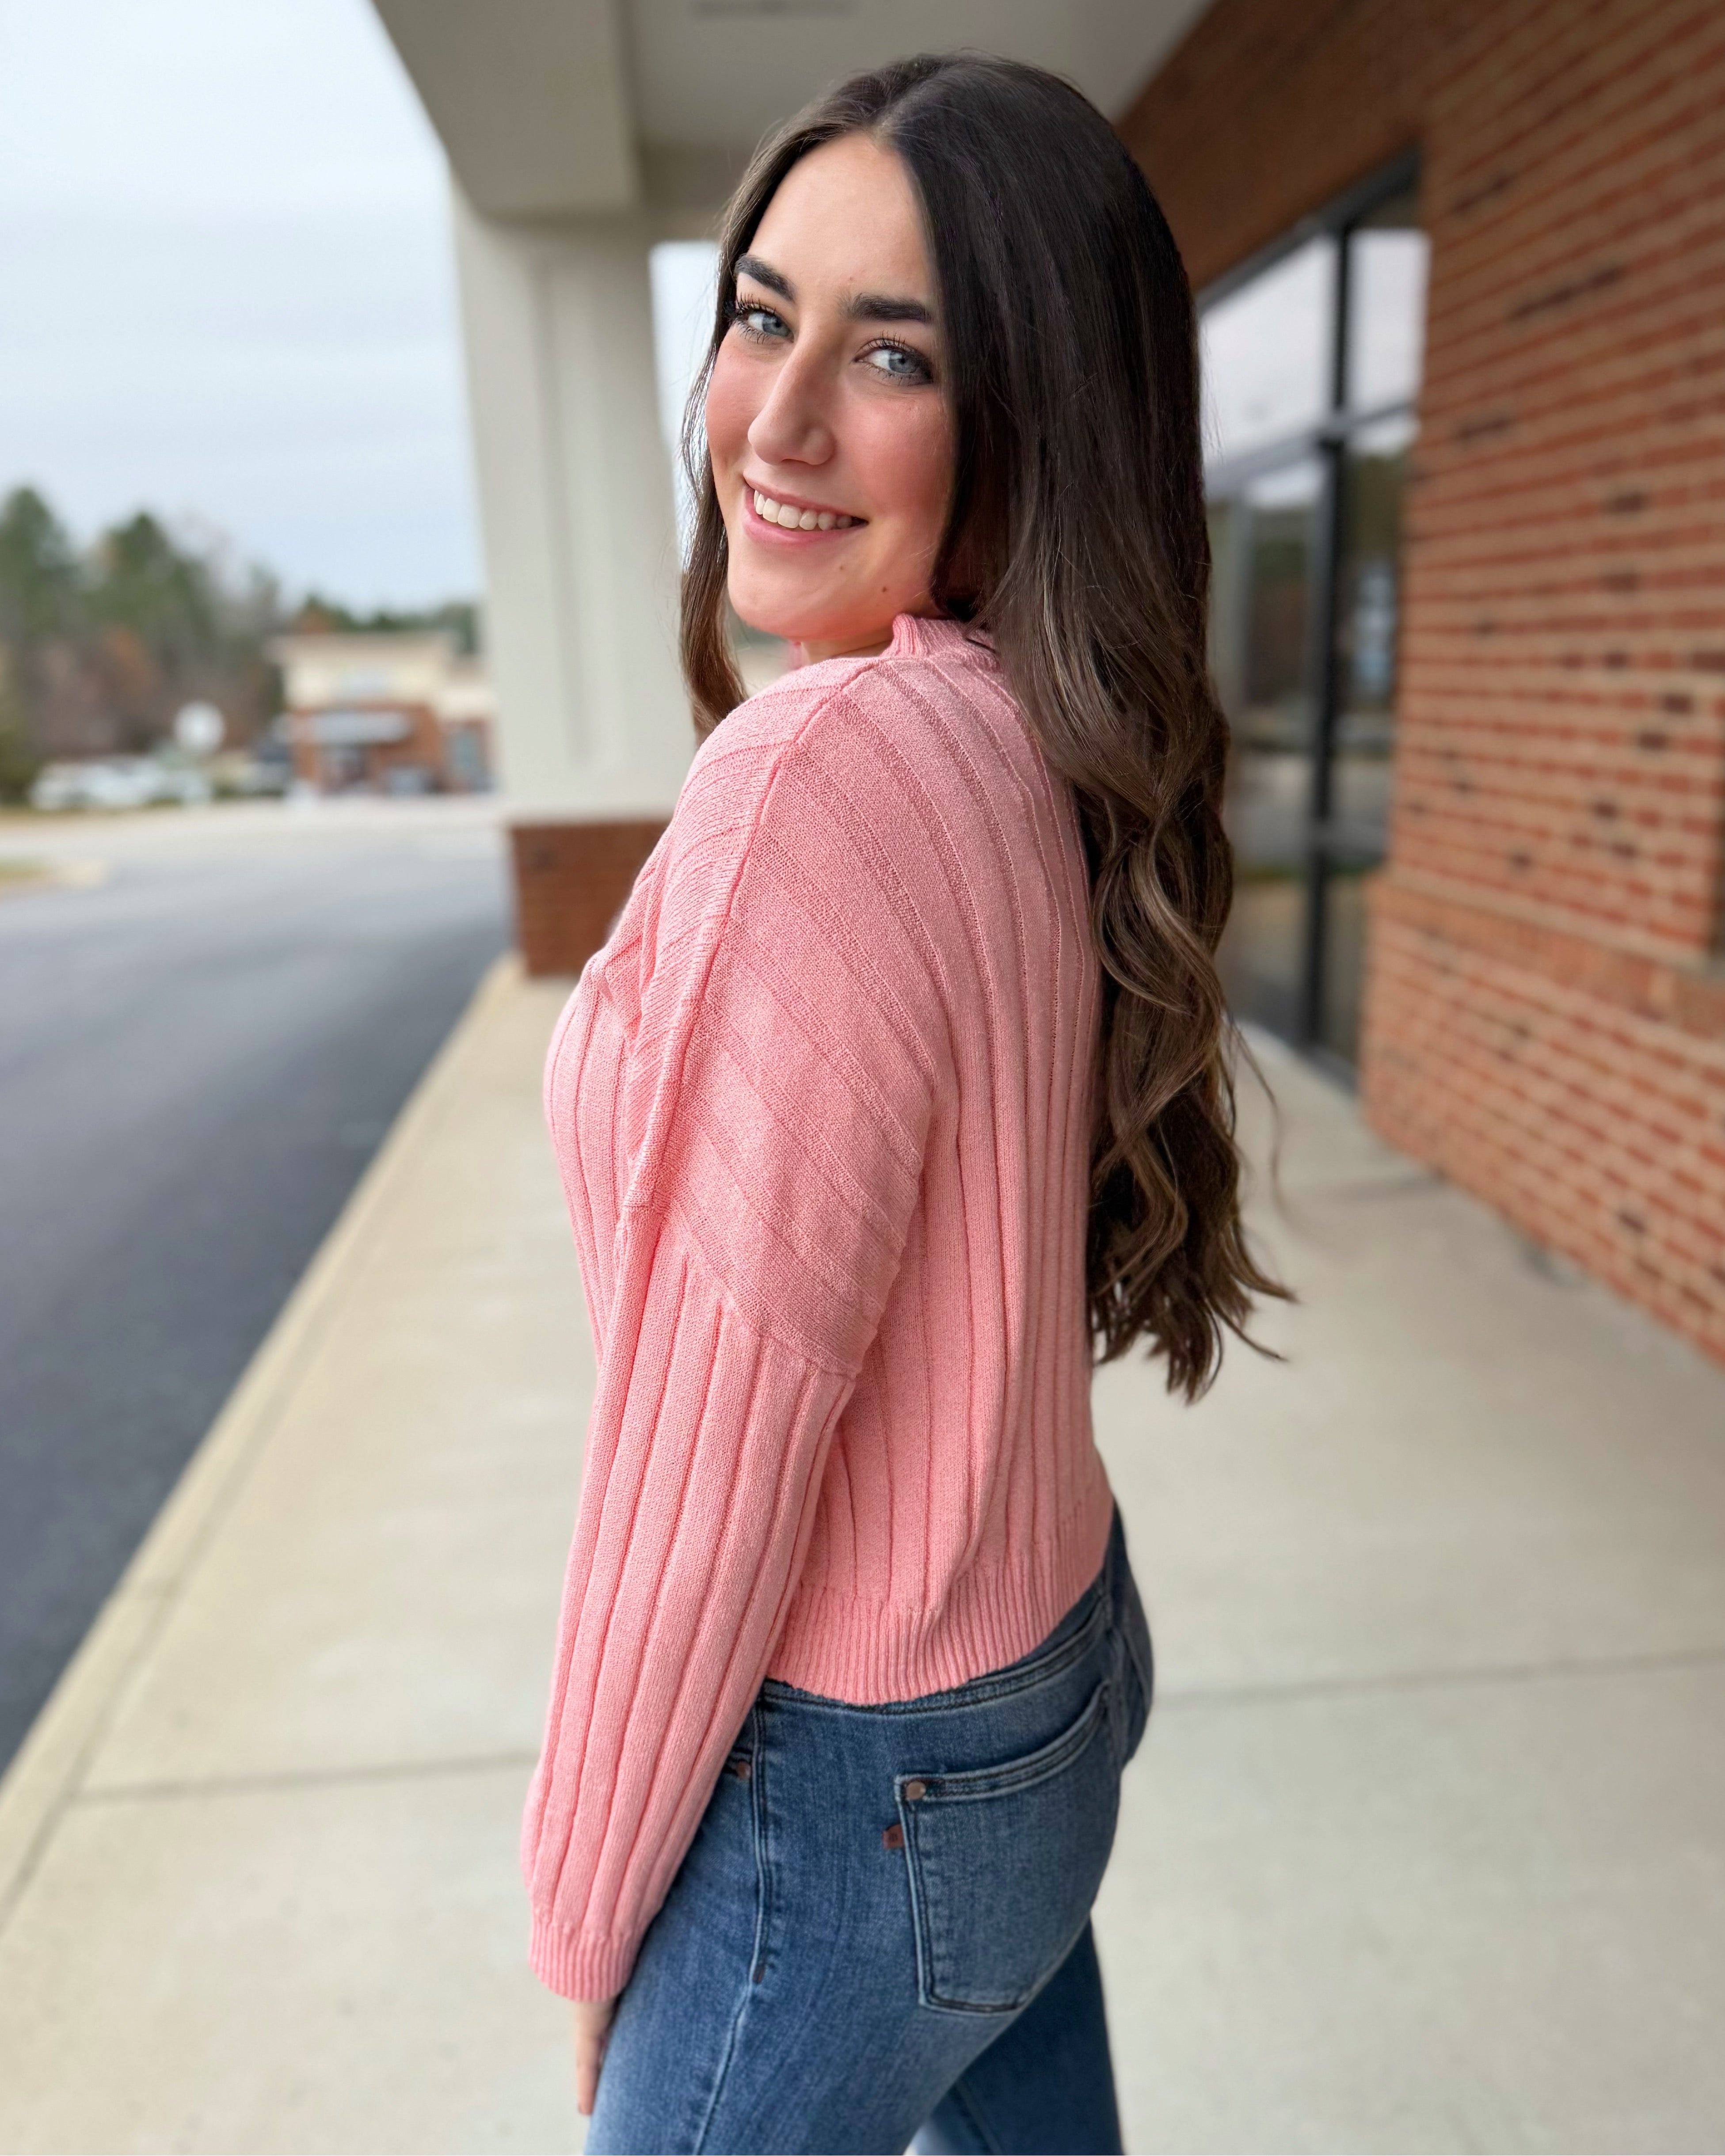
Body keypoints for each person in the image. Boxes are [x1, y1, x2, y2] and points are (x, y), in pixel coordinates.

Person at [521, 52, 1283, 2155]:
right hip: (1045, 1677)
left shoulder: (819, 777)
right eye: (759, 315)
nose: (773, 420)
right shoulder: (1035, 734)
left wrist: (588, 1917)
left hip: (863, 1795)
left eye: (891, 356)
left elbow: (712, 1440)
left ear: (1033, 416)